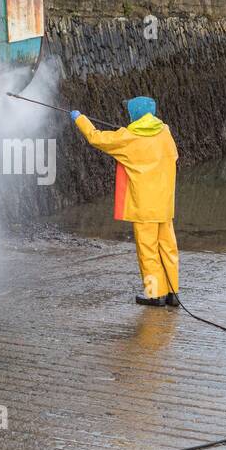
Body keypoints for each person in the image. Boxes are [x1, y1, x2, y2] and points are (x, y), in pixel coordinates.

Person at [70, 96, 179, 307]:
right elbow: (174, 156)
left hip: (144, 207)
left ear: (135, 114)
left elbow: (97, 138)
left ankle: (154, 294)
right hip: (165, 205)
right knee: (168, 247)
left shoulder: (128, 137)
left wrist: (80, 119)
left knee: (148, 251)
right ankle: (173, 293)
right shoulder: (165, 131)